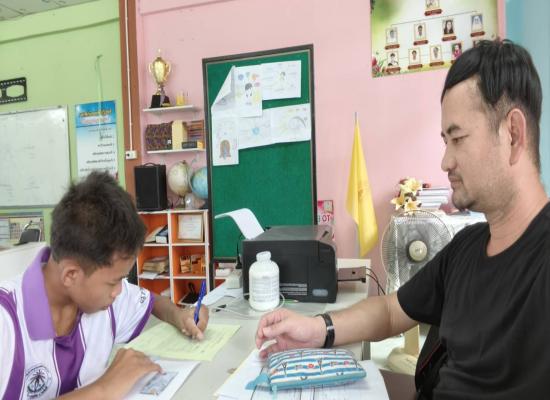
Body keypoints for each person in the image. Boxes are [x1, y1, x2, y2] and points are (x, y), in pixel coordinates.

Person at [256, 39, 549, 398]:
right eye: (445, 141)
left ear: (513, 134)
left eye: (457, 138)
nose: (445, 161)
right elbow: (391, 311)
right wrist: (318, 329)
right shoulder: (466, 247)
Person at [0, 172, 209, 399]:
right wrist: (105, 388)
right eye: (114, 281)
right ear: (71, 275)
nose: (119, 290)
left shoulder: (101, 297)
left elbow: (153, 302)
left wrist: (179, 315)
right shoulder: (6, 322)